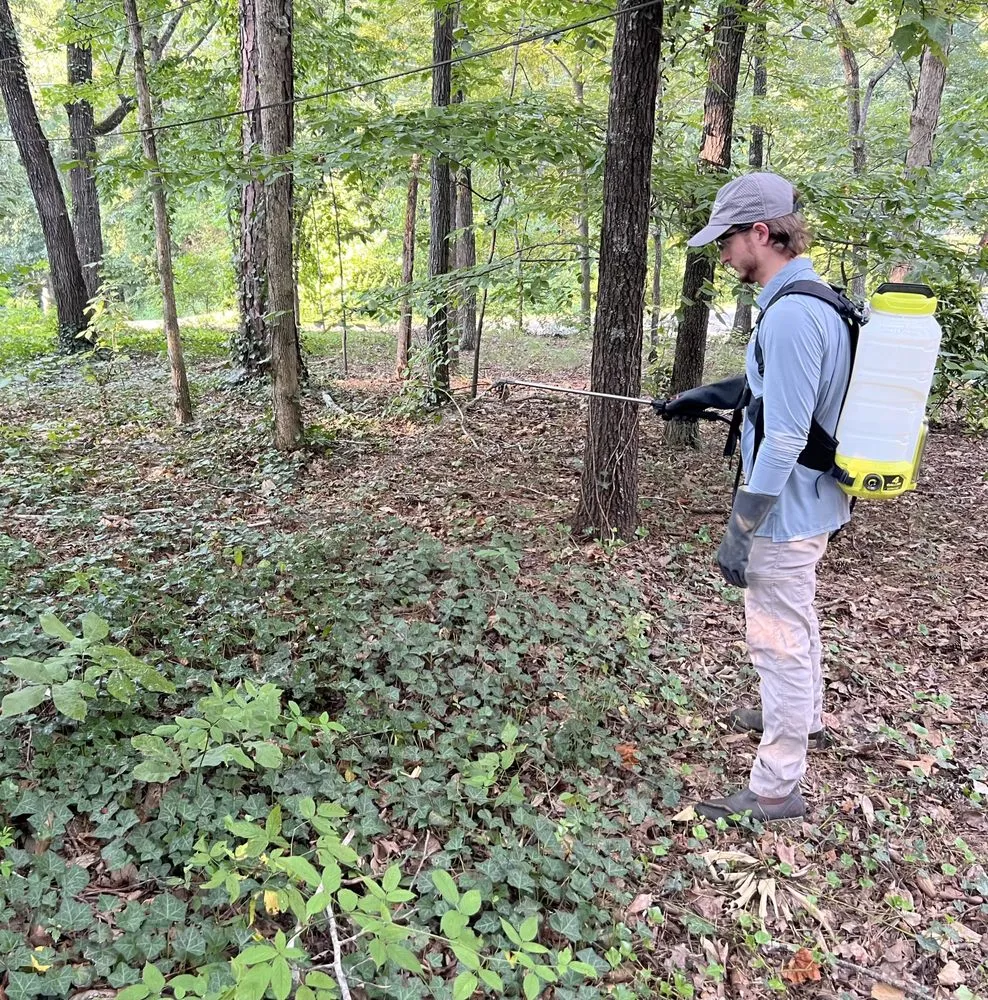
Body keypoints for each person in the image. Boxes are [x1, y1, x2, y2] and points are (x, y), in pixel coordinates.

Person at [680, 172, 853, 823]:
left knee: (776, 646)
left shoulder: (791, 315)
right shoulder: (816, 301)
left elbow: (783, 438)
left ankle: (776, 785)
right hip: (812, 505)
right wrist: (706, 396)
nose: (723, 255)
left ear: (761, 232)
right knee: (796, 621)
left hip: (784, 515)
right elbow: (778, 397)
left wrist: (740, 529)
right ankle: (802, 715)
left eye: (727, 240)